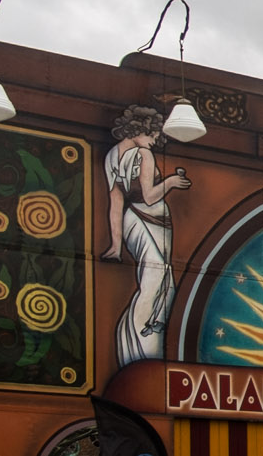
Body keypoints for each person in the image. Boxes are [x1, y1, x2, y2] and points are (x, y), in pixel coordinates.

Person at [102, 105, 192, 367]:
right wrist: (171, 182)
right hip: (151, 219)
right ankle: (145, 343)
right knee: (157, 275)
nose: (155, 141)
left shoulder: (111, 156)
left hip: (132, 220)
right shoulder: (144, 154)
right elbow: (151, 197)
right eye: (154, 135)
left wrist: (115, 247)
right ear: (142, 129)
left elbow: (115, 201)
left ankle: (134, 340)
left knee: (155, 276)